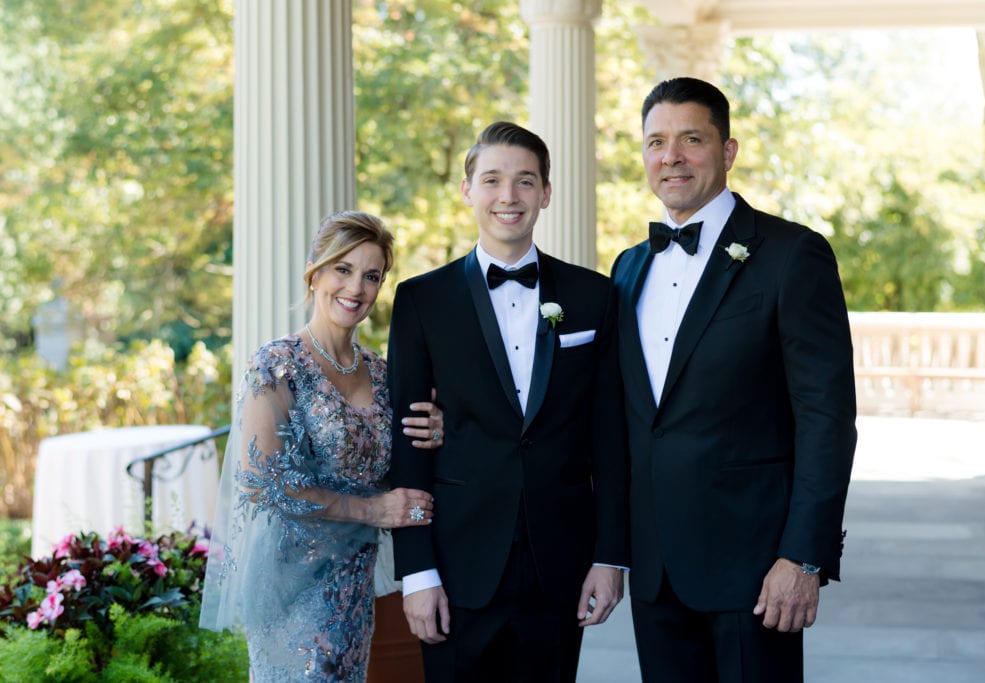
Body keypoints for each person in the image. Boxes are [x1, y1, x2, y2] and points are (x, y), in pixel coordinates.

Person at [610, 77, 857, 682]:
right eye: (656, 141)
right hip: (655, 566)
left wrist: (803, 556)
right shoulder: (627, 267)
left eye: (691, 139)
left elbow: (827, 418)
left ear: (728, 150)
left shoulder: (792, 255)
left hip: (756, 570)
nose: (672, 156)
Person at [386, 121, 630, 682]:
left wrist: (610, 556)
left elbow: (610, 436)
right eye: (492, 179)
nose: (508, 196)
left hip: (561, 566)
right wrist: (418, 572)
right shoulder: (422, 299)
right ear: (468, 189)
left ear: (546, 193)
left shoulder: (593, 295)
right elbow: (410, 442)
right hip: (456, 565)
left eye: (525, 181)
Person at [199, 210, 445, 681]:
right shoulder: (278, 364)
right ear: (315, 273)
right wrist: (373, 511)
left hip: (353, 588)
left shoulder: (382, 372)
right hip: (290, 587)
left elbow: (397, 467)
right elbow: (261, 485)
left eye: (372, 276)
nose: (356, 288)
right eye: (343, 269)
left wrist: (437, 432)